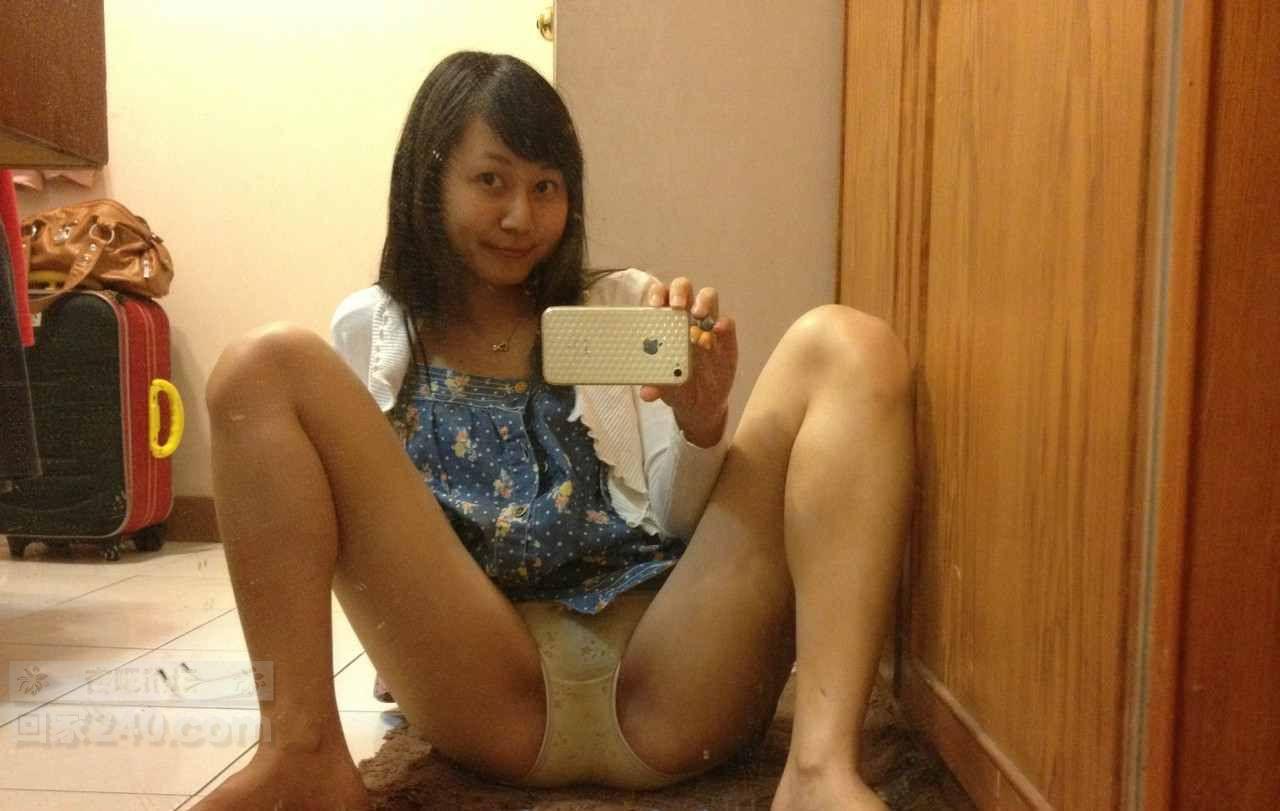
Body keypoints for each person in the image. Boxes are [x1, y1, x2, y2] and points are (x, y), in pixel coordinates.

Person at [195, 51, 913, 811]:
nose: (520, 217)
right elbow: (380, 544)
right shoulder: (372, 330)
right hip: (489, 693)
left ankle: (820, 770)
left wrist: (700, 421)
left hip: (672, 682)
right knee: (260, 365)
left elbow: (679, 523)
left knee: (848, 342)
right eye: (491, 181)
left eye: (546, 187)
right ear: (428, 183)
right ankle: (300, 753)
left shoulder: (622, 305)